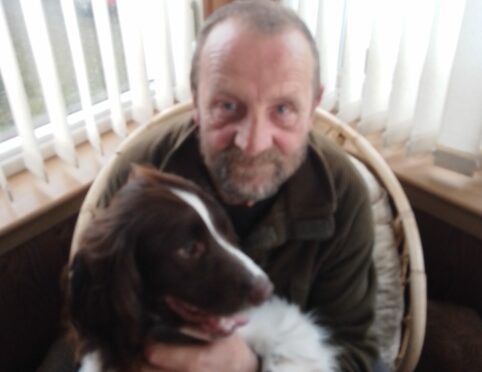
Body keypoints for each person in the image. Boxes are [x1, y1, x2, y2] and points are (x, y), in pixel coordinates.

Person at [52, 1, 378, 371]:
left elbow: (356, 352)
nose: (253, 143)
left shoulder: (342, 191)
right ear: (196, 100)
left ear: (314, 106)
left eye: (283, 109)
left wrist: (250, 366)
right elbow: (101, 315)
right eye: (227, 105)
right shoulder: (138, 173)